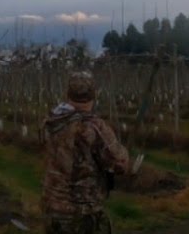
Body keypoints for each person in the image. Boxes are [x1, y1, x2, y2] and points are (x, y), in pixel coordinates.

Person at [41, 71, 131, 234]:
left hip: (52, 206)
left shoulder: (51, 122)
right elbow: (120, 163)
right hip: (82, 211)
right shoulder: (94, 127)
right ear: (94, 95)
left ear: (67, 93)